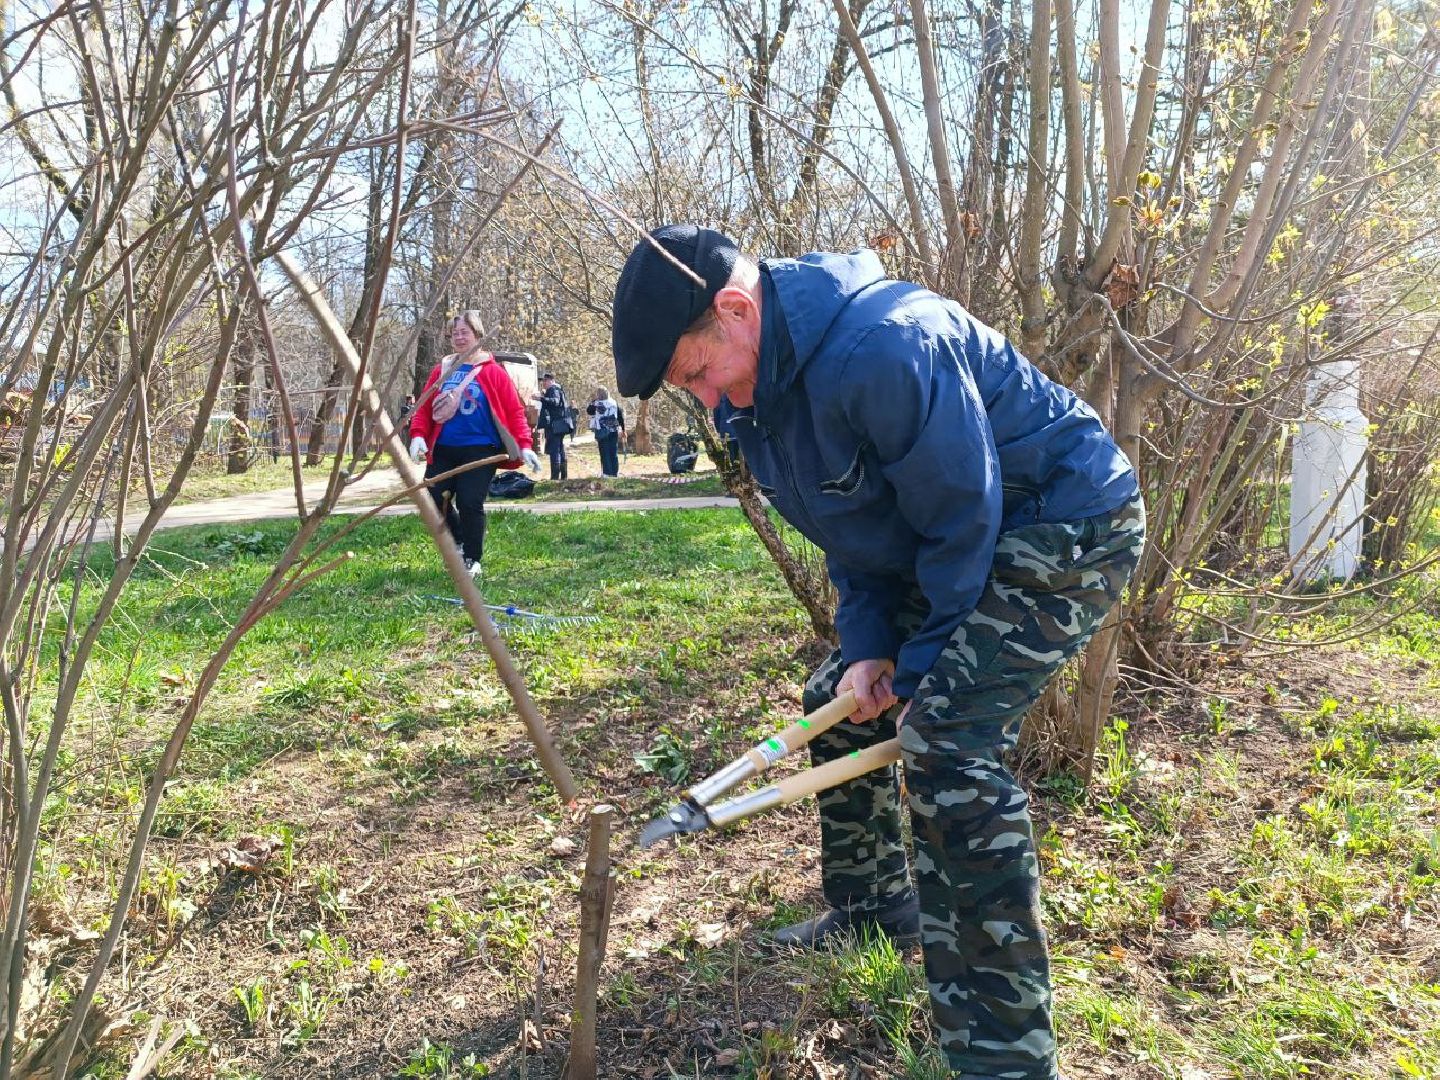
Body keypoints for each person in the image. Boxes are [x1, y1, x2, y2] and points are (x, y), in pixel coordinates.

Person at [611, 225, 1145, 1080]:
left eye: (697, 375)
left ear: (736, 310)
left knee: (948, 744)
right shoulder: (758, 399)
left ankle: (1004, 1053)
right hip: (969, 533)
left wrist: (926, 665)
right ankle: (873, 907)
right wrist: (868, 648)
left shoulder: (885, 348)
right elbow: (852, 534)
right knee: (840, 696)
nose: (707, 402)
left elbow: (960, 516)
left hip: (1065, 520)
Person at [408, 310, 540, 575]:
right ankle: (456, 540)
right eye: (454, 333)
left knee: (470, 501)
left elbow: (514, 411)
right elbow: (423, 407)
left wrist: (525, 444)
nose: (459, 337)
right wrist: (418, 435)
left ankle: (473, 558)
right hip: (444, 449)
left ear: (477, 335)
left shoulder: (493, 372)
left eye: (464, 332)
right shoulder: (442, 370)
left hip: (480, 449)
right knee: (434, 498)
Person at [532, 371, 572, 480]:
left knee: (555, 450)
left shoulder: (553, 389)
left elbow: (555, 401)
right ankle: (563, 476)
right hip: (559, 425)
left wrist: (540, 398)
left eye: (546, 380)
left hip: (556, 425)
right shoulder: (556, 389)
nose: (543, 382)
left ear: (552, 381)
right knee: (560, 449)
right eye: (543, 381)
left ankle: (555, 477)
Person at [587, 386, 625, 477]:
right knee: (613, 452)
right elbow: (620, 417)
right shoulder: (614, 403)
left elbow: (589, 411)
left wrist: (594, 401)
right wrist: (623, 429)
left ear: (598, 394)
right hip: (613, 430)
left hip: (602, 431)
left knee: (604, 452)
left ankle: (606, 473)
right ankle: (614, 472)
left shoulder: (596, 403)